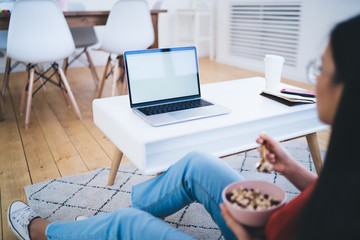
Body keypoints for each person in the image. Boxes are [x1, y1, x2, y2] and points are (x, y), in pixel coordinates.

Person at [7, 14, 360, 240]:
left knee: (130, 228)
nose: (315, 78)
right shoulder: (350, 168)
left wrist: (247, 233)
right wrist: (293, 169)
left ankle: (44, 233)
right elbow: (334, 198)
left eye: (321, 69)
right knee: (197, 162)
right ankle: (102, 224)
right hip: (277, 224)